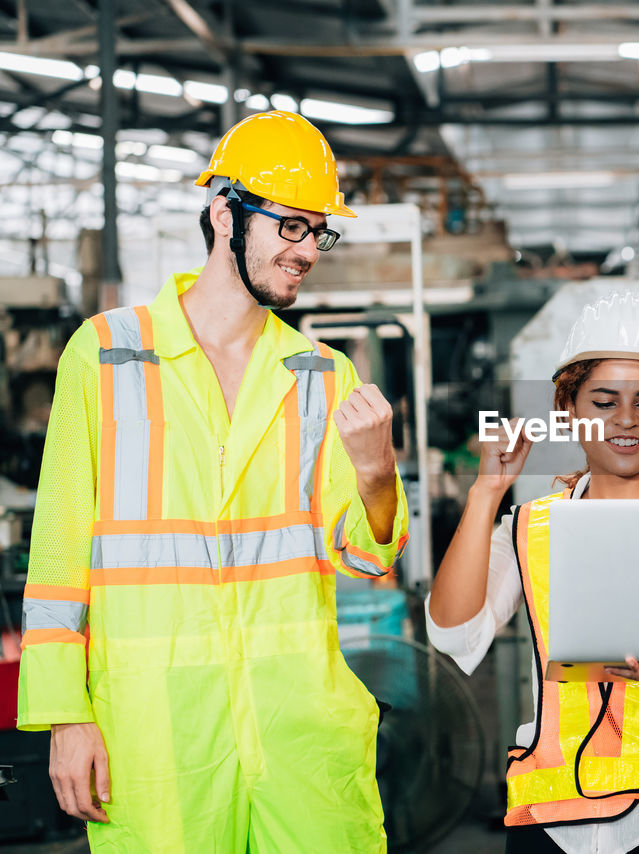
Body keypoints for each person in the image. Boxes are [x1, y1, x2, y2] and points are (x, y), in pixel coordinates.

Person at [17, 110, 409, 852]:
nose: (306, 253)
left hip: (299, 734)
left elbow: (364, 555)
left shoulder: (322, 377)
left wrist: (376, 472)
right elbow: (59, 559)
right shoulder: (105, 355)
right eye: (290, 226)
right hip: (161, 737)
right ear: (225, 214)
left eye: (316, 232)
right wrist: (67, 716)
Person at [427, 292, 639, 853]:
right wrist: (486, 491)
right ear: (567, 409)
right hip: (551, 825)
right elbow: (453, 635)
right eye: (603, 402)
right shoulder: (529, 527)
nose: (625, 421)